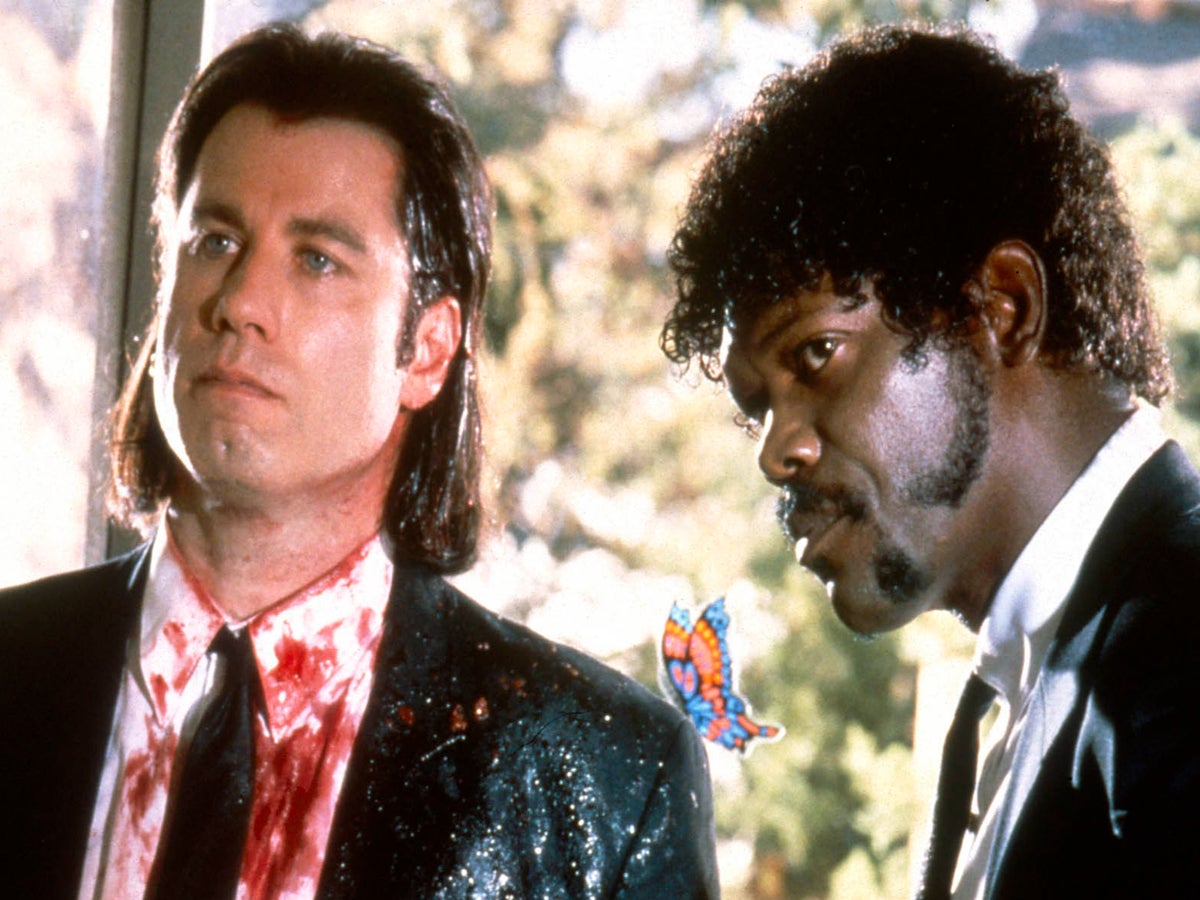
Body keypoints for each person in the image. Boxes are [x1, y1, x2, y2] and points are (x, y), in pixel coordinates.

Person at [0, 24, 718, 900]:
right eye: (215, 241)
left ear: (427, 349)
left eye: (318, 260)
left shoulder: (600, 779)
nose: (242, 302)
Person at [662, 21, 1200, 900]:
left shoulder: (1176, 659)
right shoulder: (1030, 681)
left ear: (1004, 307)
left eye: (816, 354)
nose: (777, 451)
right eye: (757, 410)